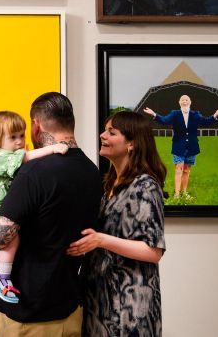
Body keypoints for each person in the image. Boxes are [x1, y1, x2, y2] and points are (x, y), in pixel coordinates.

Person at [0, 92, 102, 335]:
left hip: (25, 316)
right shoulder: (92, 172)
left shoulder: (34, 172)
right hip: (69, 309)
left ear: (36, 126)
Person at [70, 110, 167, 336]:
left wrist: (100, 240)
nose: (103, 136)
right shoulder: (110, 186)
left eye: (111, 132)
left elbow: (152, 251)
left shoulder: (145, 186)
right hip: (99, 301)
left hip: (129, 308)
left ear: (132, 144)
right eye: (105, 130)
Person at [0, 111, 69, 304]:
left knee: (4, 240)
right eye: (12, 137)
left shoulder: (9, 157)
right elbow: (28, 157)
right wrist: (54, 148)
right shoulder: (0, 156)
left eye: (21, 135)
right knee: (11, 238)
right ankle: (3, 277)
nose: (19, 142)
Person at [143, 95, 218, 199]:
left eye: (186, 100)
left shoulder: (196, 114)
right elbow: (164, 120)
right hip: (178, 146)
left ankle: (184, 192)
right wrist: (154, 114)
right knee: (179, 169)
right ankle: (177, 194)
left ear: (190, 102)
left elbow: (206, 121)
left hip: (192, 147)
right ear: (179, 102)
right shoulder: (175, 114)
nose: (184, 101)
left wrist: (215, 115)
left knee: (186, 170)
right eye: (182, 100)